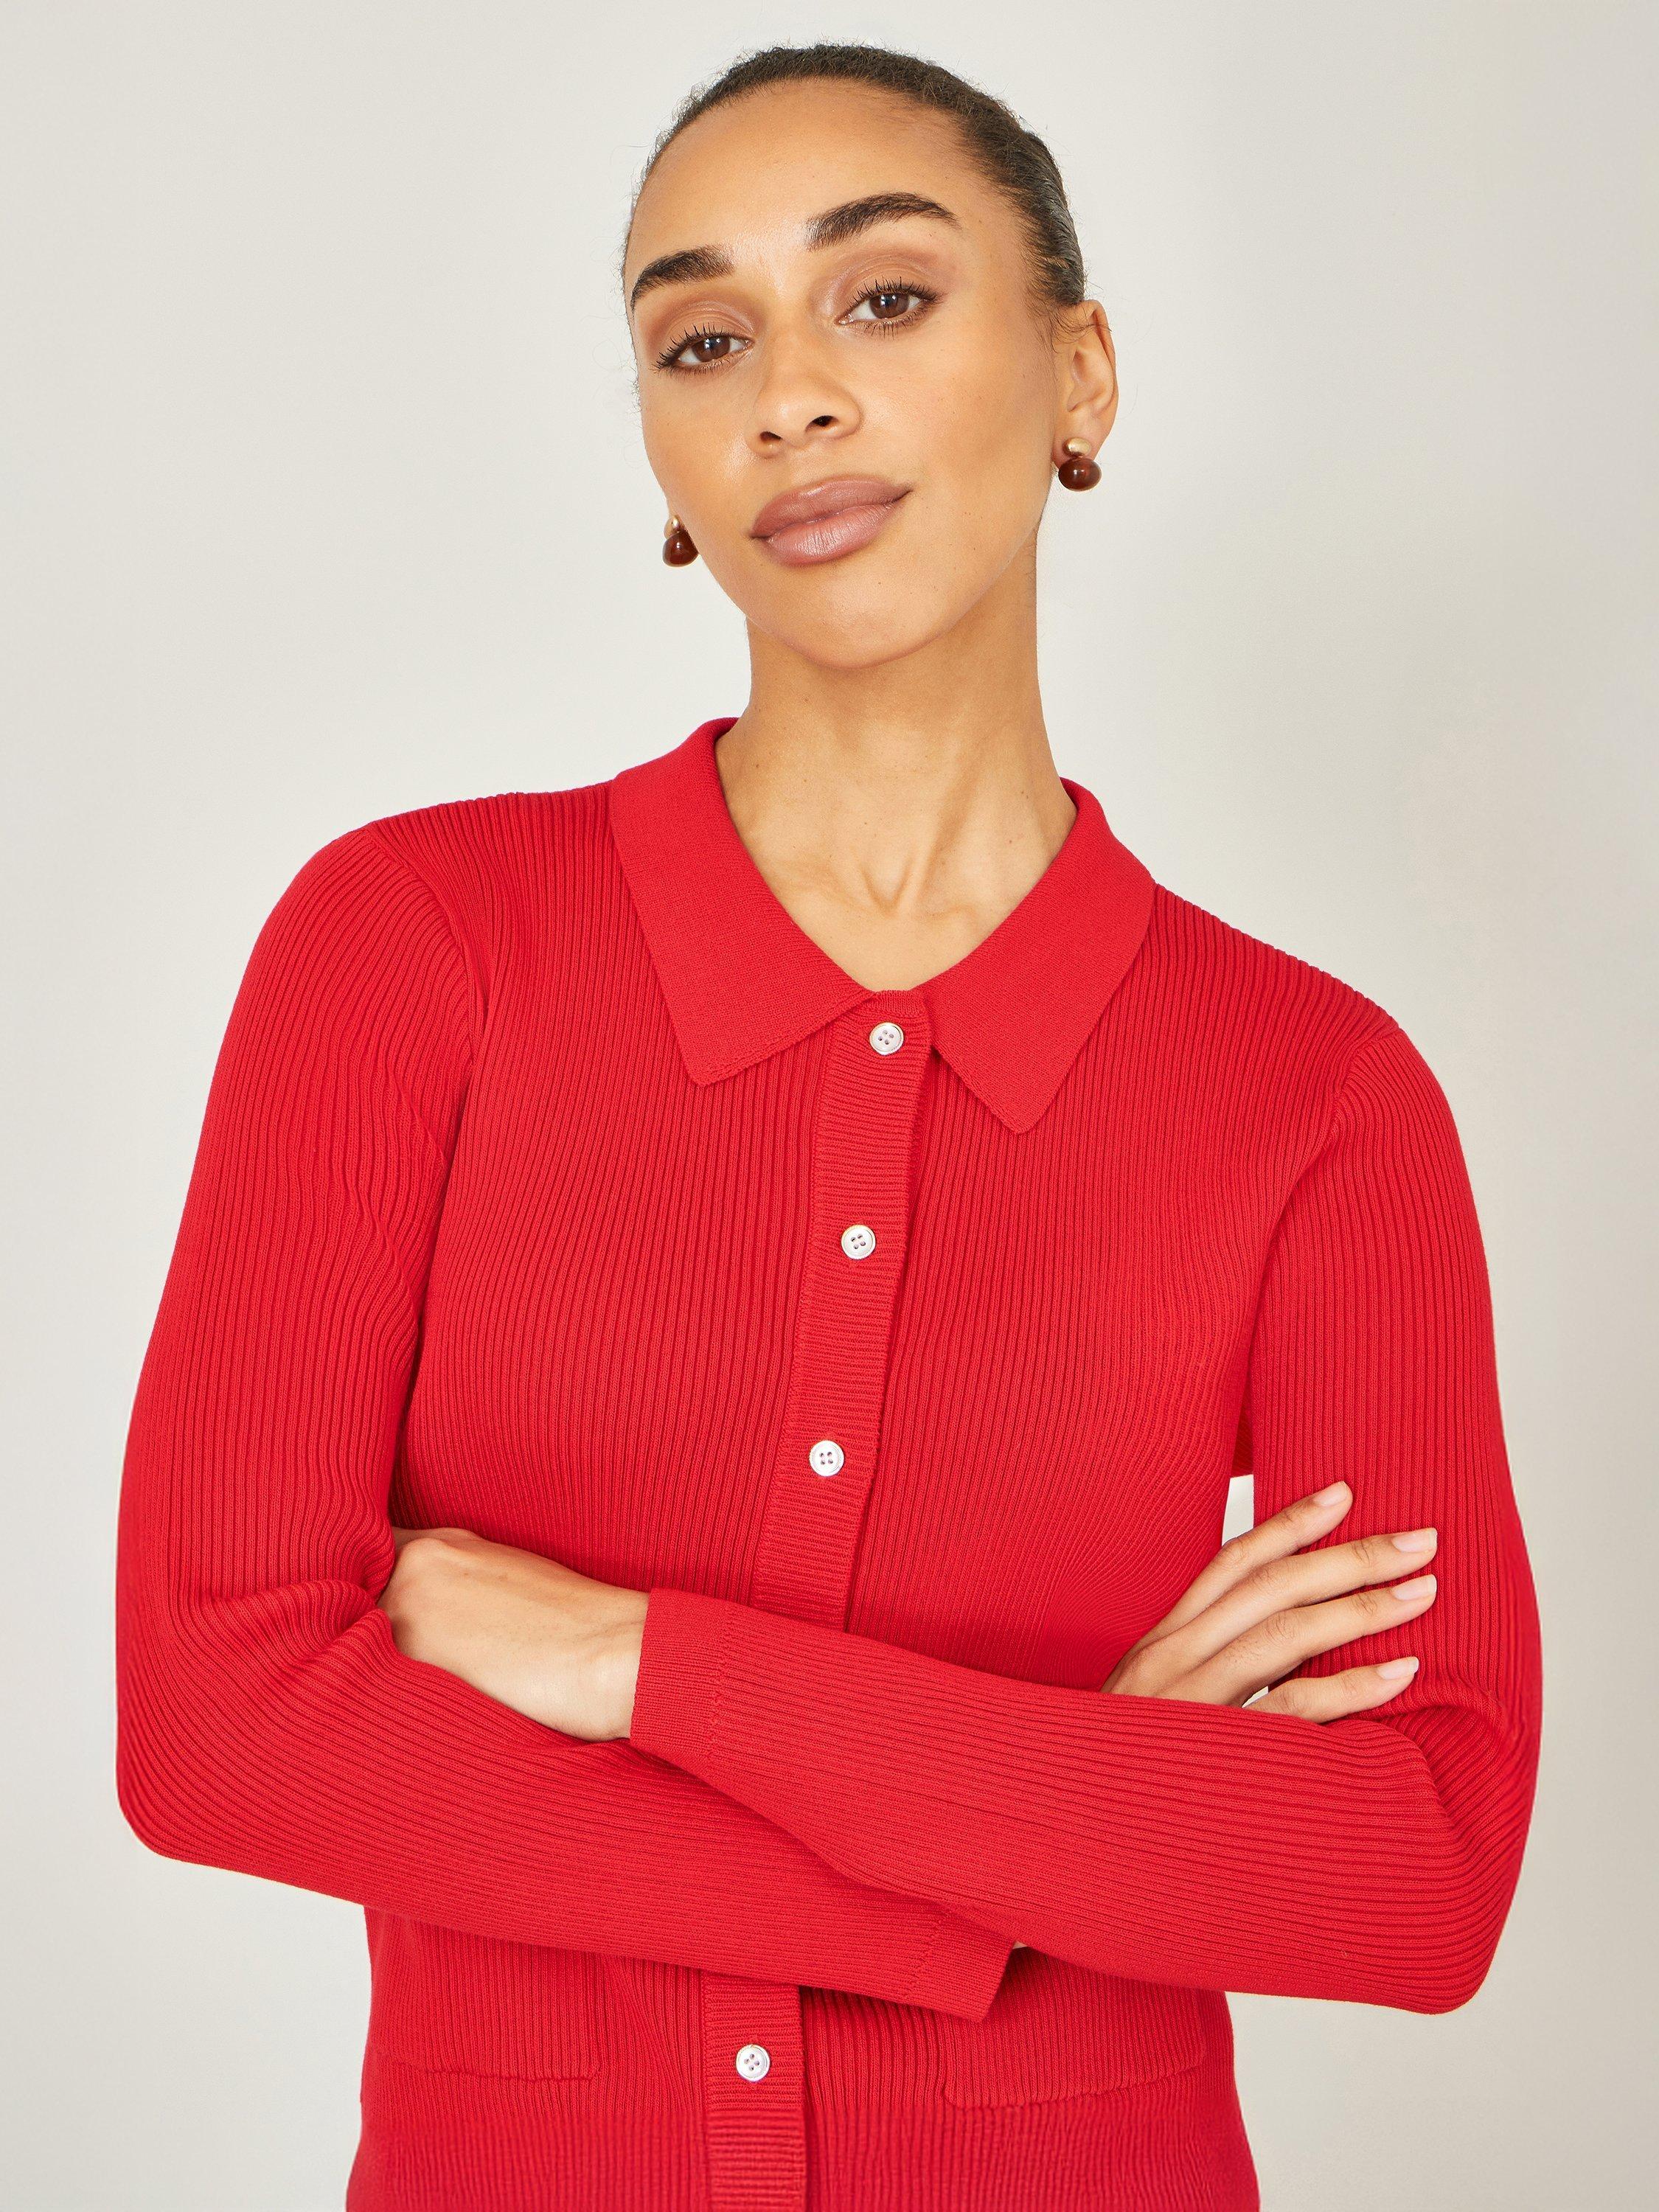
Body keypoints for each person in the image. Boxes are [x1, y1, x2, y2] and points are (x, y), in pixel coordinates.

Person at [114, 39, 1544, 2212]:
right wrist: (1066, 1825)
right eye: (703, 340)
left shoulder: (1311, 1095)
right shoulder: (413, 948)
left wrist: (631, 1663)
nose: (789, 394)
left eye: (882, 298)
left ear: (1079, 375)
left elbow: (1411, 1877)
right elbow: (214, 1729)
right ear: (665, 458)